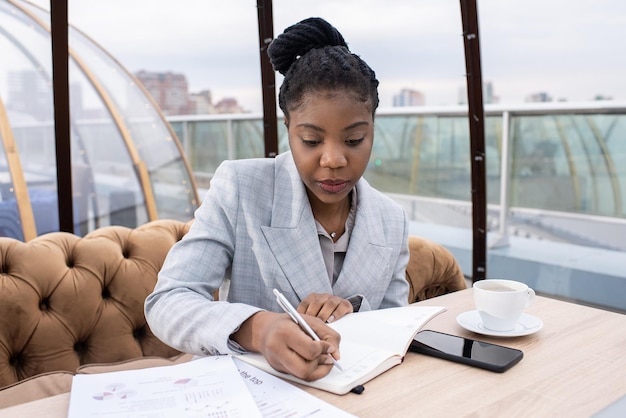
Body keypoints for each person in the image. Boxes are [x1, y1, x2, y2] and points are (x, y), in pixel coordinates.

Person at [145, 17, 410, 382]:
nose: (333, 160)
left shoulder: (391, 219)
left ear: (373, 130)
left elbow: (396, 329)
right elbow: (168, 301)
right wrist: (257, 329)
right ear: (287, 128)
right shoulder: (242, 188)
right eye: (312, 141)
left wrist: (353, 311)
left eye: (353, 141)